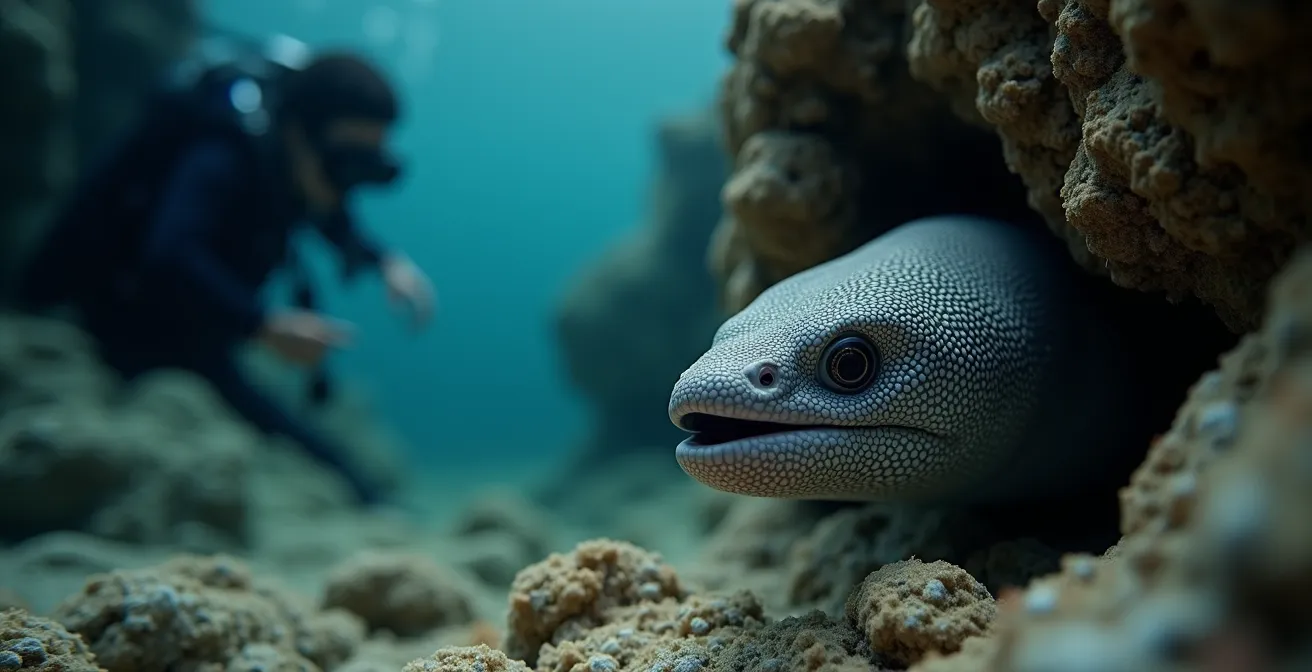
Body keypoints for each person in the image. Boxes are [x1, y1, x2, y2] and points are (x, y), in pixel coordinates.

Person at [16, 38, 434, 505]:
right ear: (297, 133)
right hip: (113, 324)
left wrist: (385, 262)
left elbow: (327, 212)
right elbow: (169, 253)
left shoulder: (287, 163)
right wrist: (262, 326)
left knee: (340, 471)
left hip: (200, 340)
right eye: (347, 165)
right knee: (309, 461)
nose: (350, 185)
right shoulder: (223, 152)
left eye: (370, 168)